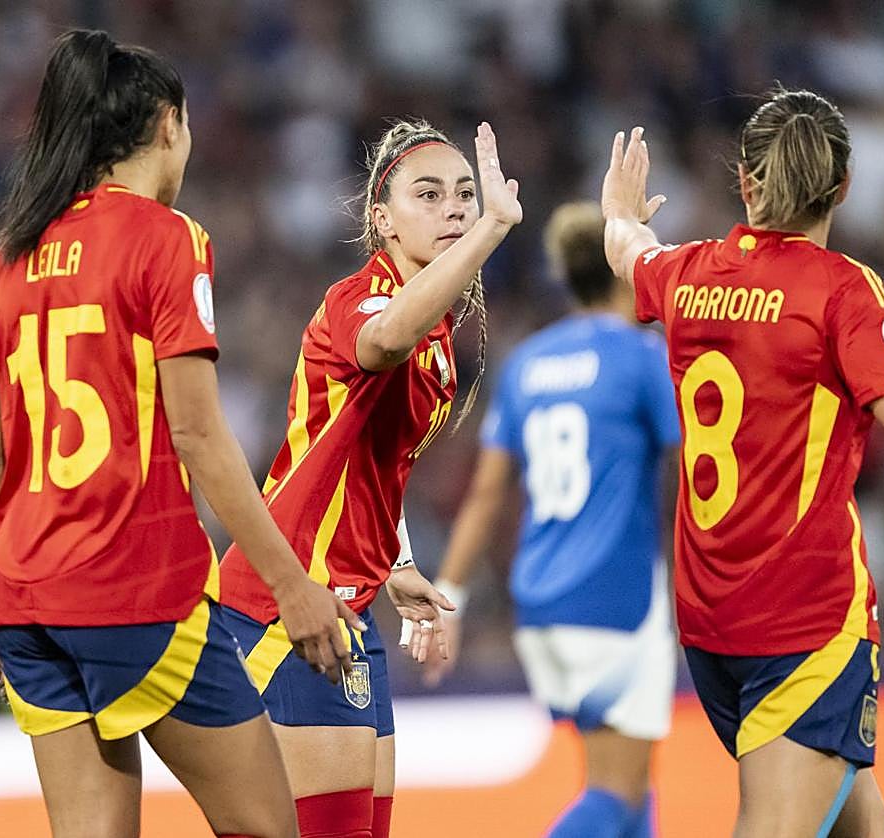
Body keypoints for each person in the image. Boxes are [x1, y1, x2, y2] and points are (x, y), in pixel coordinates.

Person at [0, 29, 360, 838]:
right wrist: (291, 585)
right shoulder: (164, 237)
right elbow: (198, 433)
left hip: (26, 598)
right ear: (167, 125)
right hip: (132, 587)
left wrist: (5, 592)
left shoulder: (11, 259)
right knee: (265, 828)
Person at [602, 89, 884, 837]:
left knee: (856, 824)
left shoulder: (688, 274)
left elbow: (629, 251)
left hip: (710, 626)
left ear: (745, 180)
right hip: (806, 623)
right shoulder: (845, 293)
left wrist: (619, 211)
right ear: (843, 186)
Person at [218, 118, 523, 838]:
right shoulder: (360, 300)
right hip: (289, 600)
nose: (454, 209)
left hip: (349, 602)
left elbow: (378, 459)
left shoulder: (437, 330)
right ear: (382, 220)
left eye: (465, 195)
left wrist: (397, 560)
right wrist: (490, 230)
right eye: (429, 194)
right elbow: (382, 341)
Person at [423, 201, 679, 838]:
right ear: (623, 267)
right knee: (616, 792)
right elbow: (692, 468)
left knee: (627, 784)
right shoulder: (642, 357)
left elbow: (486, 494)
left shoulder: (528, 364)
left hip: (539, 600)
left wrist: (449, 595)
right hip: (615, 595)